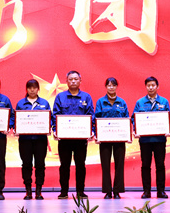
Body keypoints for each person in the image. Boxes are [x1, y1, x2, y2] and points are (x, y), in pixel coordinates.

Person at [52, 70, 94, 199]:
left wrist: (91, 131)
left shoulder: (86, 97)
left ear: (80, 81)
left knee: (80, 165)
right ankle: (64, 191)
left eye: (76, 79)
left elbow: (91, 115)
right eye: (71, 79)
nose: (73, 81)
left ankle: (80, 191)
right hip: (64, 139)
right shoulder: (60, 97)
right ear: (66, 81)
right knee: (64, 165)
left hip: (80, 139)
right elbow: (55, 115)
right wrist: (55, 130)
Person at [132, 76, 170, 199]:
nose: (151, 87)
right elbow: (134, 118)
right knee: (145, 166)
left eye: (153, 85)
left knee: (160, 165)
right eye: (148, 85)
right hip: (145, 140)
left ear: (157, 86)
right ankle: (146, 191)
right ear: (146, 87)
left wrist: (168, 130)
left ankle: (161, 191)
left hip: (160, 140)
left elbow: (169, 118)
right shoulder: (140, 102)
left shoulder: (164, 102)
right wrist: (136, 130)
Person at [15, 79, 51, 200]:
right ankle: (28, 191)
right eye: (30, 87)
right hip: (25, 140)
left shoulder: (44, 103)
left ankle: (39, 191)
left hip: (40, 140)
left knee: (40, 164)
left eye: (34, 87)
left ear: (38, 89)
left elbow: (50, 119)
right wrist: (15, 128)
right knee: (26, 165)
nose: (32, 90)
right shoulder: (20, 103)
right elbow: (16, 119)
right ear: (26, 89)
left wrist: (49, 127)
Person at [95, 77, 129, 199]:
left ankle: (117, 191)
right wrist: (97, 135)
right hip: (104, 138)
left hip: (119, 138)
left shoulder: (122, 102)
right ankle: (108, 191)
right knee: (105, 165)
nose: (111, 87)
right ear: (106, 87)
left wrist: (127, 135)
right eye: (109, 85)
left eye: (113, 85)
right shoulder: (100, 102)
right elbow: (96, 119)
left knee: (119, 165)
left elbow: (126, 119)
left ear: (116, 87)